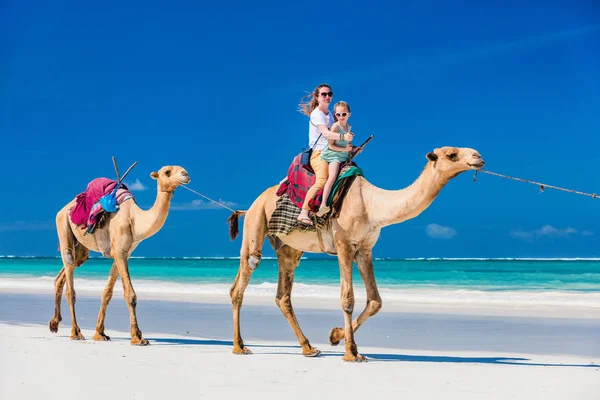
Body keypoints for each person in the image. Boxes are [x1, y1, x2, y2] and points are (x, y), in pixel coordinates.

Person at [296, 84, 354, 225]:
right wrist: (343, 137)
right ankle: (303, 212)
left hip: (332, 151)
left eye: (329, 94)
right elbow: (327, 133)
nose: (327, 97)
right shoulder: (317, 114)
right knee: (322, 179)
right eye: (323, 94)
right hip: (319, 153)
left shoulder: (330, 115)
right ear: (317, 97)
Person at [317, 101, 354, 217]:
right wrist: (345, 150)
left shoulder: (349, 127)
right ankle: (323, 204)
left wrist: (354, 149)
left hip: (343, 155)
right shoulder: (335, 127)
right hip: (333, 155)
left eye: (344, 114)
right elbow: (331, 145)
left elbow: (345, 144)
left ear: (349, 114)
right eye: (338, 115)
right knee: (332, 177)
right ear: (335, 115)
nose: (341, 117)